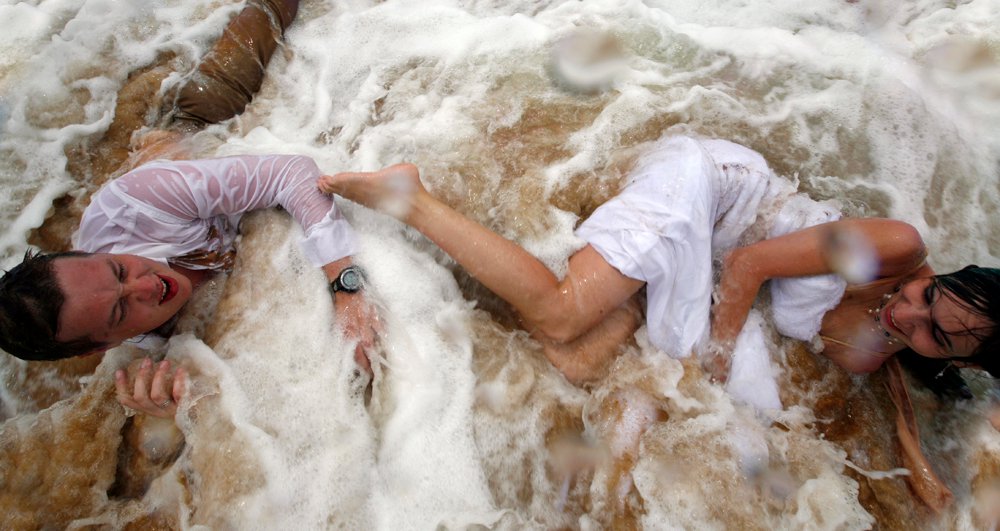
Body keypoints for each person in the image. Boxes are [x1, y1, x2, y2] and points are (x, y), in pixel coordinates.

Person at [317, 135, 999, 389]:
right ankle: (412, 199)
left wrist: (918, 465)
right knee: (560, 316)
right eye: (929, 295)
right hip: (715, 189)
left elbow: (901, 372)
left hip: (708, 254)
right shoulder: (896, 249)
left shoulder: (880, 349)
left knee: (574, 366)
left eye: (932, 333)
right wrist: (721, 354)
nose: (907, 311)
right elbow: (753, 264)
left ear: (959, 361)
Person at [0, 154, 379, 417]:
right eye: (121, 311)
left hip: (203, 128)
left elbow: (291, 173)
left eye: (118, 269)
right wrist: (183, 413)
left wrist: (345, 286)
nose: (145, 285)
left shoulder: (137, 202)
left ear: (90, 252)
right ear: (103, 346)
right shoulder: (146, 356)